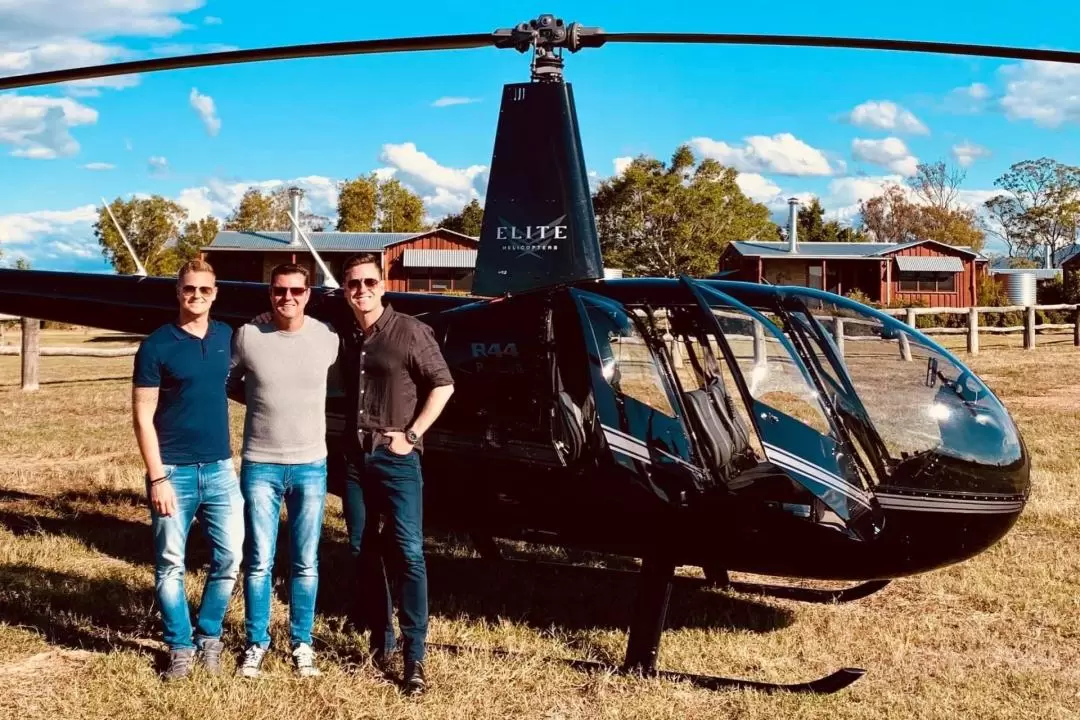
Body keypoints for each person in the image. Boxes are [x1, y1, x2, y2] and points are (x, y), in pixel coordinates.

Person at [335, 252, 454, 697]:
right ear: (345, 290)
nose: (361, 290)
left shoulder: (410, 331)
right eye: (352, 284)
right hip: (354, 458)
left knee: (408, 550)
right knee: (362, 546)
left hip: (396, 457)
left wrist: (412, 434)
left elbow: (443, 384)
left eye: (368, 282)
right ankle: (379, 637)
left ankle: (415, 652)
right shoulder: (347, 334)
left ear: (382, 285)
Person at [132, 258, 244, 681]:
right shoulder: (157, 345)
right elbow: (142, 415)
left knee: (230, 556)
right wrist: (157, 476)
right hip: (172, 471)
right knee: (170, 563)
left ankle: (209, 635)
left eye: (204, 290)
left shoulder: (225, 337)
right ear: (177, 292)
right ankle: (179, 644)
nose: (195, 296)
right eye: (188, 289)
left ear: (215, 294)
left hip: (219, 468)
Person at [226, 263, 340, 679]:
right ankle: (257, 642)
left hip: (311, 464)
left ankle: (301, 642)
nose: (286, 298)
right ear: (269, 293)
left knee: (306, 560)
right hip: (261, 463)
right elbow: (228, 380)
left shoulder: (328, 338)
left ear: (308, 294)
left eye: (295, 290)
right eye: (278, 291)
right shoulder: (248, 335)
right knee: (258, 561)